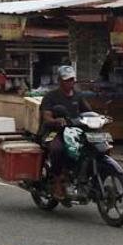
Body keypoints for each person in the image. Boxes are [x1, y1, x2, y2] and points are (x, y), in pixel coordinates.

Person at [39, 65, 92, 200]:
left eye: (72, 79)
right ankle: (57, 181)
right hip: (53, 131)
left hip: (73, 131)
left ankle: (83, 178)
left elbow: (88, 112)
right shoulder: (51, 97)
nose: (70, 82)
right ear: (60, 81)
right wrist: (56, 121)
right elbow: (46, 117)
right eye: (67, 80)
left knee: (88, 147)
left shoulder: (78, 96)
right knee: (58, 149)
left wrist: (98, 118)